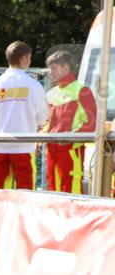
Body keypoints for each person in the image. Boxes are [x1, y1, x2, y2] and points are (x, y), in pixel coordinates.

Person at [0, 41, 47, 213]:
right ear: (25, 58)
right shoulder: (33, 85)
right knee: (25, 193)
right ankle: (23, 226)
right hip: (24, 146)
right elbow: (42, 118)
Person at [44, 50, 98, 194]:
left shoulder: (82, 90)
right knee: (53, 189)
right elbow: (48, 123)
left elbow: (91, 124)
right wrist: (40, 136)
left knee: (71, 190)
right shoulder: (51, 94)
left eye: (54, 68)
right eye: (50, 68)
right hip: (51, 148)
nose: (50, 72)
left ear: (66, 67)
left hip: (71, 150)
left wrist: (71, 138)